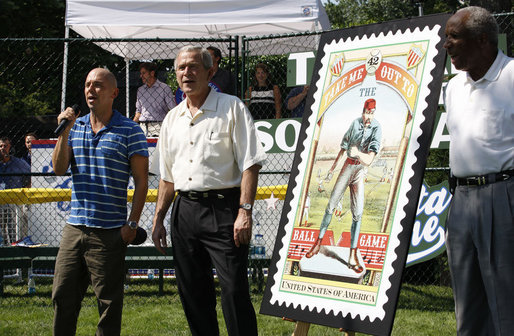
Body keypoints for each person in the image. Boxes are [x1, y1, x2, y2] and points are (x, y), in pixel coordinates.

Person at [152, 46, 266, 336]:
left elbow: (250, 164)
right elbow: (167, 177)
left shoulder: (232, 107)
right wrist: (158, 219)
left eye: (193, 67)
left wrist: (245, 211)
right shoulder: (171, 119)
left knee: (233, 291)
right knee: (193, 293)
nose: (186, 73)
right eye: (181, 68)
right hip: (184, 212)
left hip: (224, 210)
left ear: (210, 71)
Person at [51, 68, 149, 335]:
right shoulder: (74, 127)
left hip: (110, 232)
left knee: (108, 305)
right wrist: (64, 132)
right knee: (62, 297)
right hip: (74, 228)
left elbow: (142, 181)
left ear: (114, 93)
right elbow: (59, 169)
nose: (90, 90)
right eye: (87, 85)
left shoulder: (130, 131)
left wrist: (132, 223)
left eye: (97, 85)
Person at [443, 6, 514, 335]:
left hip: (503, 196)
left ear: (483, 40)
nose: (448, 44)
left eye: (454, 37)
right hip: (461, 201)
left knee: (506, 301)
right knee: (467, 305)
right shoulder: (453, 87)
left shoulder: (511, 77)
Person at [305, 99, 381, 274]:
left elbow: (369, 160)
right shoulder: (355, 123)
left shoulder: (377, 128)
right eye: (367, 112)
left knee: (358, 213)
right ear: (363, 111)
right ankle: (317, 243)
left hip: (360, 169)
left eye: (372, 113)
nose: (369, 116)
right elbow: (343, 147)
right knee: (331, 205)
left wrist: (358, 153)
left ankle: (352, 255)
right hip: (347, 165)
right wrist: (332, 169)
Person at [0, 136, 30, 245]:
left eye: (5, 146)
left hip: (14, 200)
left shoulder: (18, 163)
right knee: (2, 228)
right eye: (1, 146)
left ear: (10, 147)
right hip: (0, 200)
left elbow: (31, 175)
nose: (3, 148)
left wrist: (25, 189)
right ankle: (4, 246)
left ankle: (15, 244)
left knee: (14, 228)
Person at [133, 62, 176, 137]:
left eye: (143, 73)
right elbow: (138, 111)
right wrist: (131, 125)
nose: (141, 76)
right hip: (143, 127)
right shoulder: (140, 90)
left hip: (158, 126)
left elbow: (173, 109)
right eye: (141, 73)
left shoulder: (164, 88)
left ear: (152, 73)